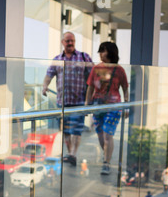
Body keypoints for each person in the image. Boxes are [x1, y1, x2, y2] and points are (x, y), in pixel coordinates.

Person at [42, 32, 93, 166]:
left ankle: (73, 154)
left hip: (79, 102)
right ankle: (70, 153)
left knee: (76, 130)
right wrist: (44, 86)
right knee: (65, 130)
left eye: (72, 41)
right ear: (62, 42)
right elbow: (49, 74)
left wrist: (91, 97)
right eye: (68, 41)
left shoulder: (84, 57)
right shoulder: (57, 59)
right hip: (63, 102)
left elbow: (93, 76)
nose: (70, 43)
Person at [85, 42, 129, 175]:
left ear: (110, 52)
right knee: (100, 136)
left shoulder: (119, 70)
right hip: (98, 105)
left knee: (107, 136)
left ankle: (106, 163)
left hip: (114, 105)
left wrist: (126, 106)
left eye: (103, 51)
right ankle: (106, 157)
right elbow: (90, 87)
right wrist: (87, 104)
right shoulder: (96, 68)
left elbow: (125, 89)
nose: (100, 54)